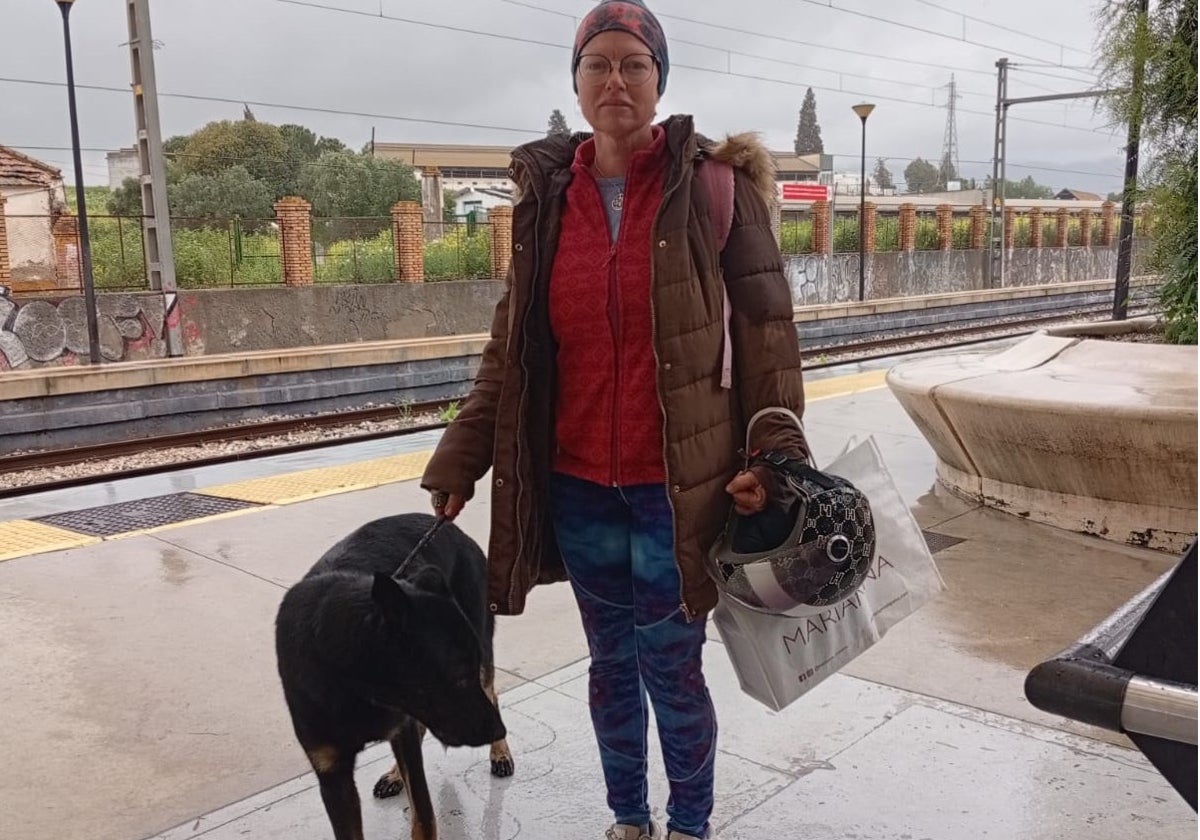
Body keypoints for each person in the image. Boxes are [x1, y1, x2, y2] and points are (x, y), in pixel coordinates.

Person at [421, 1, 808, 837]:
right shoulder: (549, 200)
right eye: (598, 64)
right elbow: (512, 350)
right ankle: (628, 817)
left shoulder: (715, 189)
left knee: (671, 667)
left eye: (635, 64)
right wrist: (462, 457)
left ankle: (690, 823)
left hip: (680, 490)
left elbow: (769, 338)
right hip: (579, 487)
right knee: (609, 665)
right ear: (578, 81)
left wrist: (774, 457)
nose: (616, 80)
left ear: (659, 79)